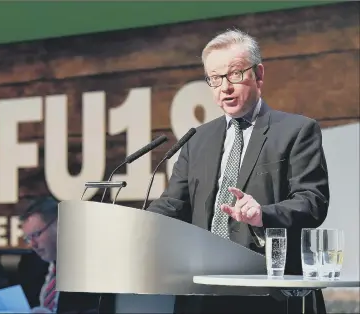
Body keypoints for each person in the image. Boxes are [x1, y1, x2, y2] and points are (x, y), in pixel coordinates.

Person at [146, 29, 329, 314]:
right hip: (202, 289)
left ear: (258, 75)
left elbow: (312, 200)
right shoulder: (197, 139)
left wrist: (263, 214)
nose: (224, 87)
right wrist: (136, 226)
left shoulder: (296, 131)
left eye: (234, 75)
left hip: (267, 289)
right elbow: (174, 204)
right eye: (215, 79)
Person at [21, 197, 108, 314]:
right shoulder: (32, 265)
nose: (32, 244)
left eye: (36, 234)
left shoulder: (94, 266)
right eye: (28, 238)